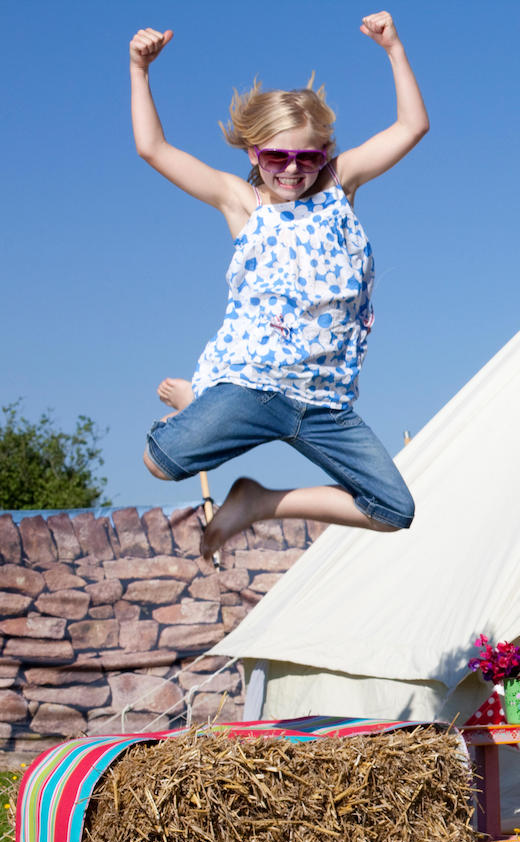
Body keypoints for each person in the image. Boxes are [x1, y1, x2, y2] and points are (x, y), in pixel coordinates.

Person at [129, 13, 428, 558]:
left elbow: (411, 127)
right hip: (253, 387)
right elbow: (154, 148)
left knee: (392, 509)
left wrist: (394, 50)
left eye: (308, 157)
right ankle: (201, 398)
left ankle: (260, 502)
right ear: (253, 154)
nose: (292, 169)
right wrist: (139, 70)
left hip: (326, 402)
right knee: (158, 462)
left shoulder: (340, 186)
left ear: (326, 153)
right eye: (276, 157)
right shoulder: (243, 203)